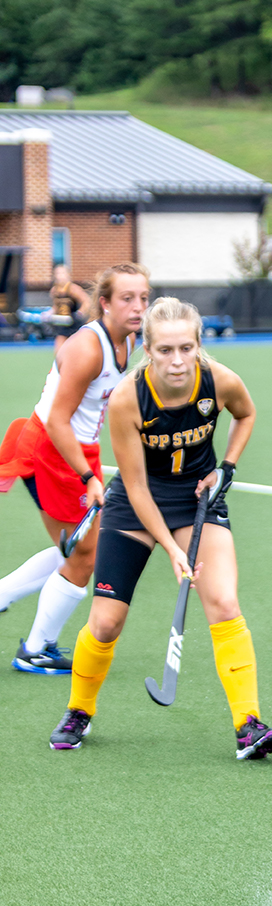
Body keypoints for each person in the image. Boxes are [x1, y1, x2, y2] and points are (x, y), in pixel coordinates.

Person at [48, 297, 272, 761]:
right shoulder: (126, 399)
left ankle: (248, 724)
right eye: (165, 350)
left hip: (194, 500)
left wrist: (226, 468)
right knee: (107, 622)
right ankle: (79, 709)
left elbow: (246, 414)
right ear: (148, 350)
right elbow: (135, 488)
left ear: (198, 345)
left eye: (186, 348)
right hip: (136, 505)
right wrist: (174, 552)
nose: (177, 361)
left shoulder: (218, 380)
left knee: (222, 601)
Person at [0, 261, 149, 673]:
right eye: (126, 298)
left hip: (76, 450)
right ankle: (36, 649)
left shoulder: (129, 339)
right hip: (54, 449)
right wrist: (87, 477)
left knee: (75, 549)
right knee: (86, 555)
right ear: (104, 303)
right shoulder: (87, 349)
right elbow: (57, 420)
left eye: (143, 298)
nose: (137, 307)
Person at [49, 263, 89, 350]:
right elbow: (56, 306)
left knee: (76, 350)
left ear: (68, 275)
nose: (60, 276)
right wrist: (49, 313)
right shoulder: (54, 290)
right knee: (59, 349)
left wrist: (79, 313)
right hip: (62, 323)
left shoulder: (73, 289)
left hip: (74, 323)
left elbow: (86, 302)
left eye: (62, 273)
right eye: (58, 273)